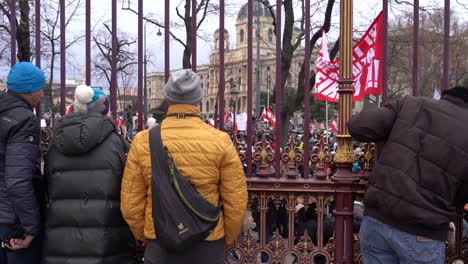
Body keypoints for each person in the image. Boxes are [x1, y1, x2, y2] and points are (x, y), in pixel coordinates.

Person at [121, 69, 248, 264]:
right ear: (199, 99)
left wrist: (148, 234)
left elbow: (131, 205)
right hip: (208, 242)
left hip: (161, 243)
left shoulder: (143, 141)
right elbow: (236, 202)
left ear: (167, 98)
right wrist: (223, 237)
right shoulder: (220, 141)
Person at [348, 86, 468, 263]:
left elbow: (358, 126)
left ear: (445, 97)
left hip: (378, 217)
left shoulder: (411, 104)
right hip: (424, 228)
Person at [42, 85, 136, 264]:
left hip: (61, 244)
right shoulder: (118, 144)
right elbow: (131, 190)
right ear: (104, 110)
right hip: (108, 243)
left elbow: (46, 189)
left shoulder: (56, 145)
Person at [0, 62, 45, 264]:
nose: (42, 94)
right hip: (11, 221)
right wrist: (31, 228)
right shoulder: (24, 120)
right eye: (40, 88)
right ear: (28, 90)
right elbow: (18, 182)